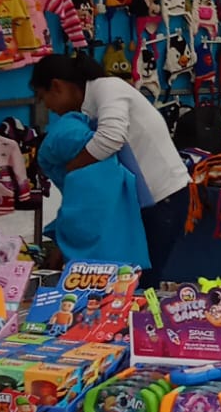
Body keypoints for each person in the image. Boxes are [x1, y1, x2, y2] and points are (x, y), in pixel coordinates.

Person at [31, 55, 189, 286]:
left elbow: (111, 139)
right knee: (130, 282)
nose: (48, 108)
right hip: (142, 204)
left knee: (142, 282)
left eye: (44, 98)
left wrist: (73, 167)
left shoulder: (109, 88)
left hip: (163, 198)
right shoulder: (87, 116)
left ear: (57, 86)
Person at [38, 111, 150, 271]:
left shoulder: (84, 178)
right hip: (126, 268)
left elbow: (80, 226)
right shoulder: (114, 168)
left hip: (93, 274)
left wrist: (61, 246)